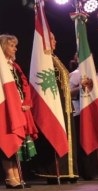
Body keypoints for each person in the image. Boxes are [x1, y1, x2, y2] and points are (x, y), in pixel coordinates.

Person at [34, 32, 79, 183]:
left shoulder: (54, 58)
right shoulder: (44, 60)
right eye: (51, 39)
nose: (55, 41)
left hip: (65, 106)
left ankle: (69, 171)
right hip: (55, 106)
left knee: (68, 139)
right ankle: (56, 172)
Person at [0, 35, 38, 188]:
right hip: (6, 110)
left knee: (17, 142)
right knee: (8, 141)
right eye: (12, 45)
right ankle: (10, 177)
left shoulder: (15, 66)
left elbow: (23, 85)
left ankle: (18, 176)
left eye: (15, 45)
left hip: (19, 109)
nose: (15, 49)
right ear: (3, 47)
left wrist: (26, 102)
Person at [69, 54, 97, 180]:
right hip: (80, 112)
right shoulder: (76, 74)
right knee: (84, 141)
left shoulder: (93, 73)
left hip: (92, 111)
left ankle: (93, 170)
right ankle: (86, 171)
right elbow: (68, 92)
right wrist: (80, 87)